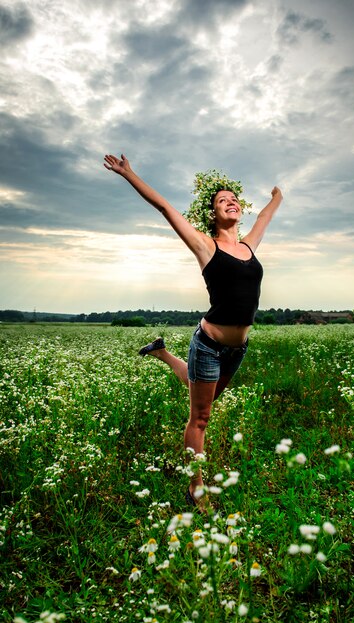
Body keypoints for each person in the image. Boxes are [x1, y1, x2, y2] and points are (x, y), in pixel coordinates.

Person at [104, 154, 283, 511]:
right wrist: (128, 173)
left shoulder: (249, 245)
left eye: (234, 198)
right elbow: (165, 207)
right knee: (200, 417)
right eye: (221, 200)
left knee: (203, 393)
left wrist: (277, 196)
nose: (230, 201)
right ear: (213, 213)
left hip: (237, 350)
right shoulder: (206, 245)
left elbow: (264, 216)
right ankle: (196, 490)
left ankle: (161, 352)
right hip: (209, 344)